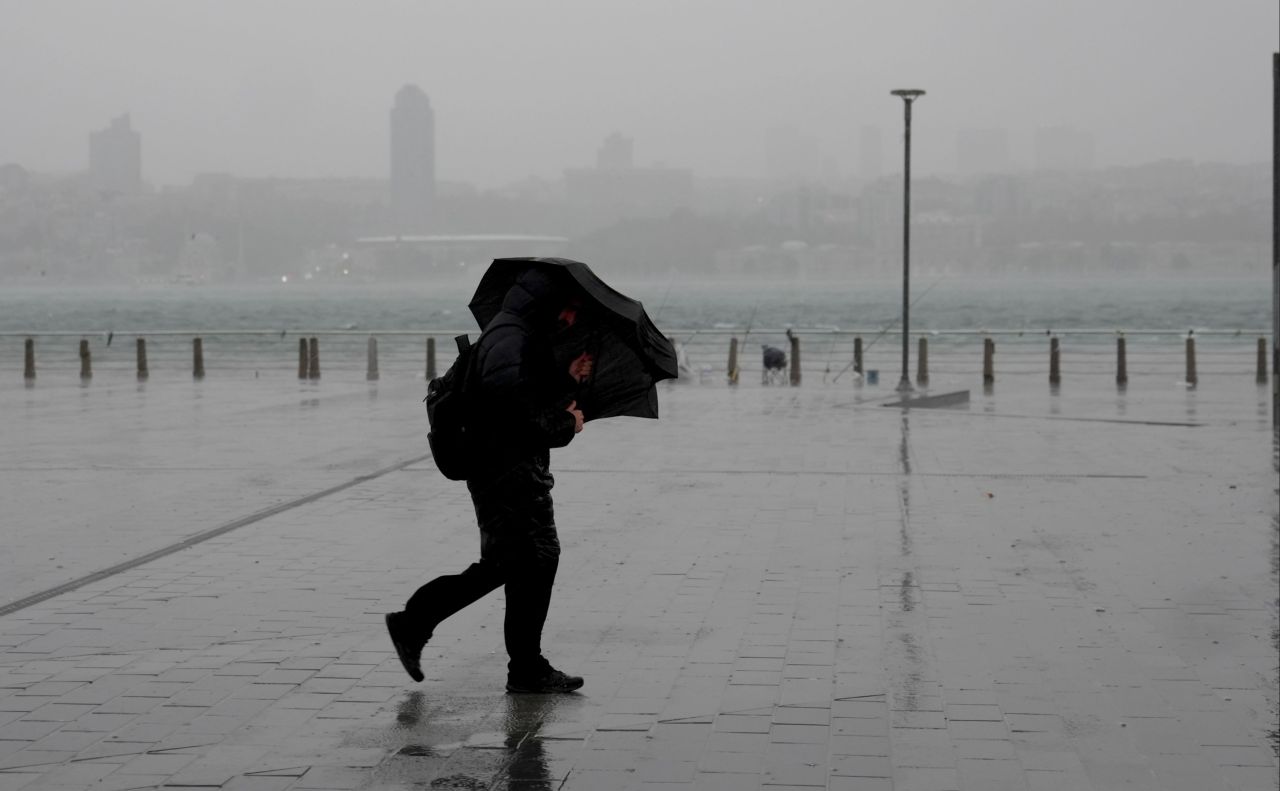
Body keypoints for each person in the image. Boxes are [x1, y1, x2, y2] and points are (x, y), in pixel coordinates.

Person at [385, 268, 594, 693]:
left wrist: (569, 377)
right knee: (533, 557)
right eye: (569, 309)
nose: (572, 319)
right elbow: (511, 410)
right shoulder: (511, 336)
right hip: (505, 472)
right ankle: (519, 666)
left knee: (513, 562)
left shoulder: (516, 334)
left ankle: (426, 627)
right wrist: (564, 424)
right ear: (549, 304)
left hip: (507, 470)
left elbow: (517, 394)